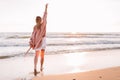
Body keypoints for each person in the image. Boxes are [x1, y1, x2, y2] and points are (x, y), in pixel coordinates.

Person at [29, 3, 48, 76]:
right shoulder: (42, 25)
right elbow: (45, 17)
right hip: (42, 41)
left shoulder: (35, 27)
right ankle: (40, 67)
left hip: (38, 42)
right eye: (40, 19)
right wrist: (46, 8)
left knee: (37, 55)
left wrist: (32, 42)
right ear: (39, 20)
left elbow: (33, 36)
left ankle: (35, 68)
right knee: (42, 55)